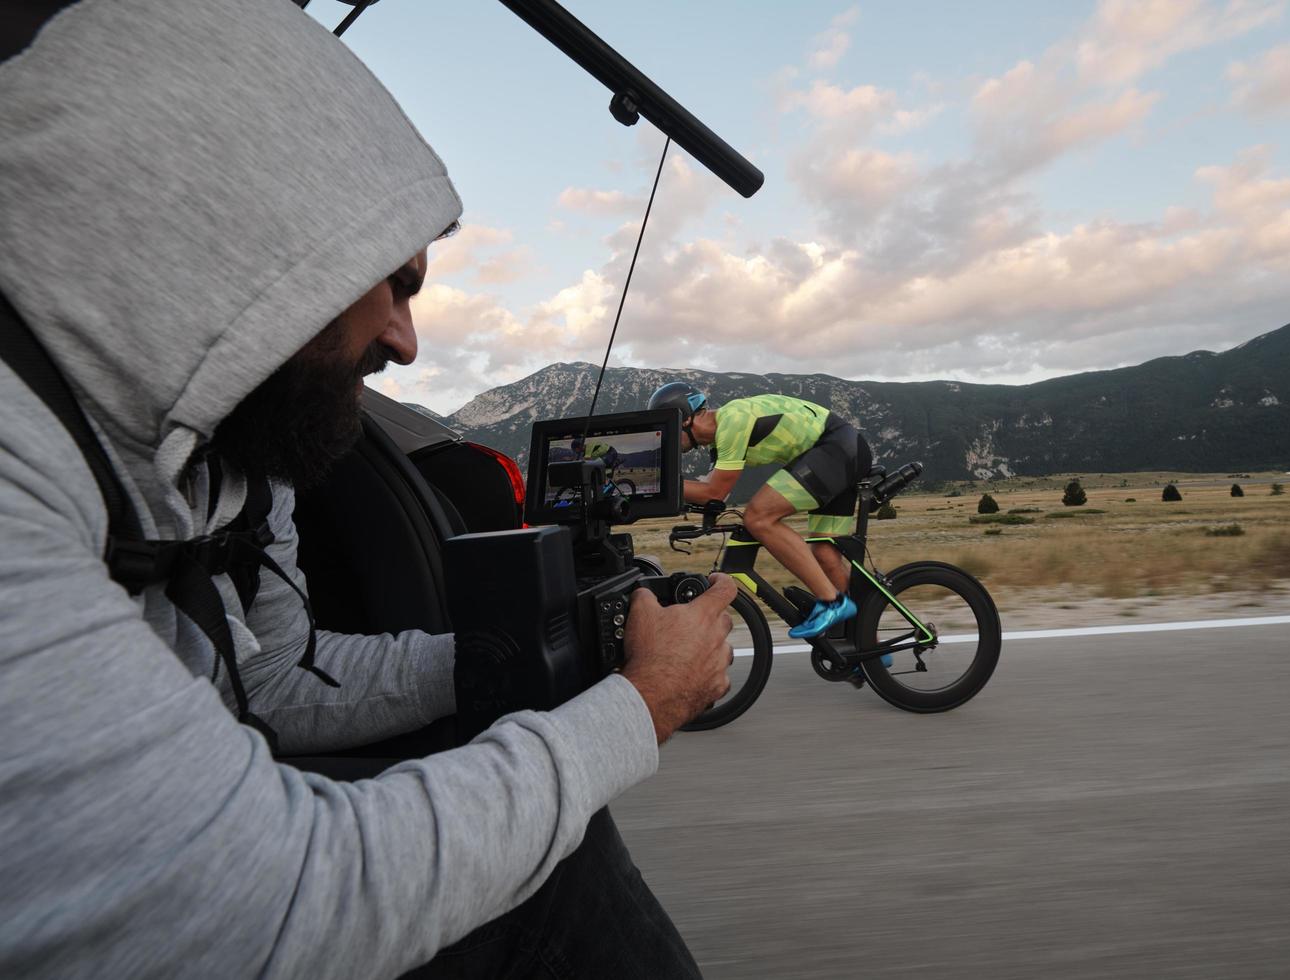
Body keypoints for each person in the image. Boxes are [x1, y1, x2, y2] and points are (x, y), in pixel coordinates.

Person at [0, 2, 735, 978]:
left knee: (544, 838)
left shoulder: (223, 465)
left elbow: (272, 682)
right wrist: (640, 705)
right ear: (253, 242)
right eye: (393, 279)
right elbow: (265, 900)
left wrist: (514, 656)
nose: (405, 340)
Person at [648, 382, 874, 639]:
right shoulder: (720, 441)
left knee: (759, 517)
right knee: (825, 554)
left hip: (834, 448)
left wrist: (659, 483)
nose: (668, 439)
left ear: (685, 419)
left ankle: (832, 603)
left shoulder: (732, 422)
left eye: (669, 430)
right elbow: (712, 496)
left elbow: (713, 492)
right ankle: (865, 644)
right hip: (843, 449)